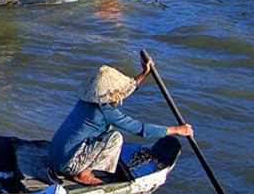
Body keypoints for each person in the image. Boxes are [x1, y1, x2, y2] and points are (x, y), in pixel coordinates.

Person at [50, 64, 193, 185]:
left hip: (55, 155)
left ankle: (82, 168)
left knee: (104, 133)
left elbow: (123, 91)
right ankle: (83, 174)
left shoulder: (86, 101)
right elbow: (140, 129)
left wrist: (144, 73)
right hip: (68, 164)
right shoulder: (105, 111)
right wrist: (177, 130)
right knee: (114, 137)